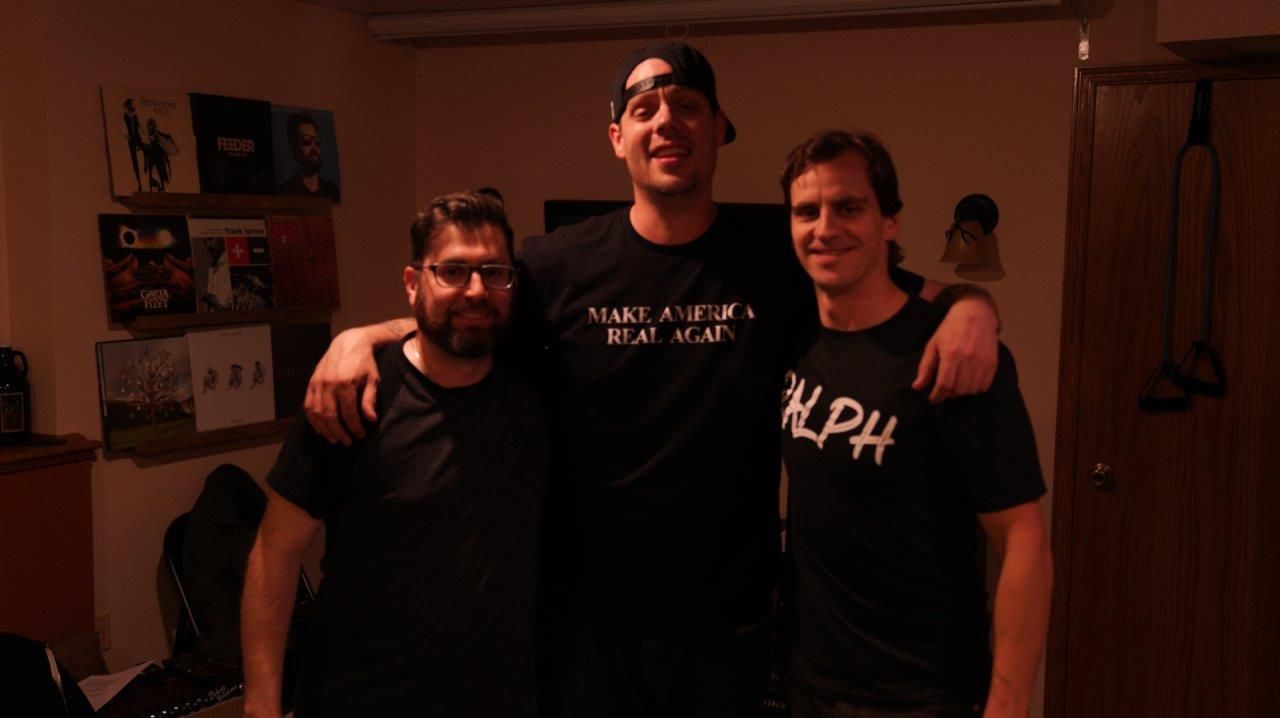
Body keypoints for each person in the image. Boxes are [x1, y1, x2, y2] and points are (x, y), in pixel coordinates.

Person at [302, 43, 1000, 717]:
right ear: (617, 137)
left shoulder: (777, 253)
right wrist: (362, 335)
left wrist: (975, 308)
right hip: (585, 628)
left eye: (687, 105)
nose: (667, 121)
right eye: (644, 110)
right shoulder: (555, 264)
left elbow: (905, 294)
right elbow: (465, 320)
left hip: (728, 625)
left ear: (718, 127)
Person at [240, 192, 548, 717]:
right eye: (452, 271)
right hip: (359, 696)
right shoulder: (351, 398)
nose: (476, 290)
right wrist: (261, 707)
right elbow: (275, 554)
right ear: (412, 283)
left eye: (493, 272)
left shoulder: (535, 388)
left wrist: (362, 333)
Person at [778, 129, 1052, 717]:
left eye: (849, 207)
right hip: (810, 685)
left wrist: (1008, 703)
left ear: (889, 222)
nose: (825, 227)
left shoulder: (956, 354)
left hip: (922, 694)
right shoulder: (795, 336)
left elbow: (1023, 540)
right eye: (807, 211)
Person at [276, 113, 340, 201]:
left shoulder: (331, 191)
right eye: (307, 141)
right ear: (295, 149)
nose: (314, 148)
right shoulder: (285, 193)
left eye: (317, 142)